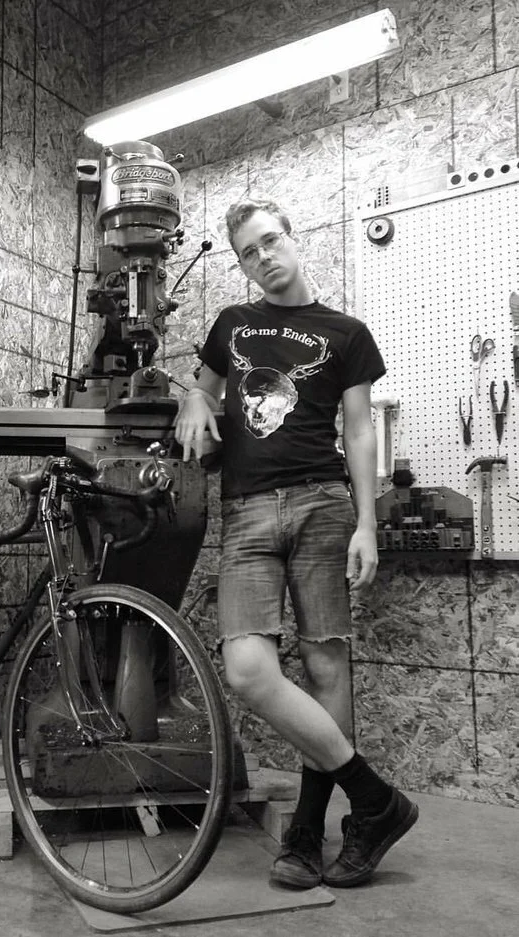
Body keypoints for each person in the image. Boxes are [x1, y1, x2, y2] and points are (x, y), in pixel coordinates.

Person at [174, 197, 418, 889]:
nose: (263, 259)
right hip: (248, 512)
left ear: (293, 237)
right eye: (248, 252)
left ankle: (309, 834)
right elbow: (203, 391)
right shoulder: (233, 325)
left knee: (325, 664)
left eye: (270, 241)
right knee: (250, 669)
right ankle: (374, 799)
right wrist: (194, 398)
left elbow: (361, 429)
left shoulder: (346, 333)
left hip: (323, 502)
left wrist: (368, 523)